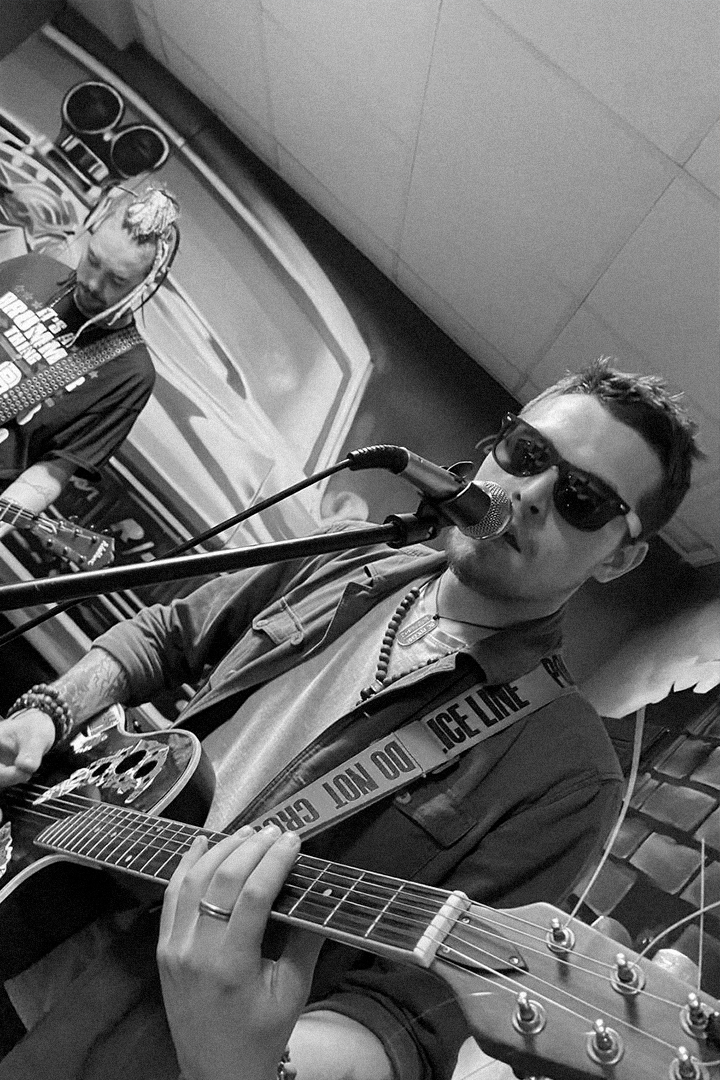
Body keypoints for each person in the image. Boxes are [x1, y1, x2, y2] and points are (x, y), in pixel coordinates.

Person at [0, 358, 702, 1080]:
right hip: (36, 885)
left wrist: (249, 1061)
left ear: (620, 561)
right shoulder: (345, 560)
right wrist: (49, 712)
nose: (529, 494)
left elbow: (402, 1020)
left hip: (125, 1041)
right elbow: (168, 635)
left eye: (582, 499)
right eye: (527, 453)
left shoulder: (570, 773)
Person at [0, 184, 179, 538]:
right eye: (93, 260)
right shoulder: (32, 269)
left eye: (117, 280)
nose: (94, 283)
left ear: (148, 282)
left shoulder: (129, 373)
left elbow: (51, 472)